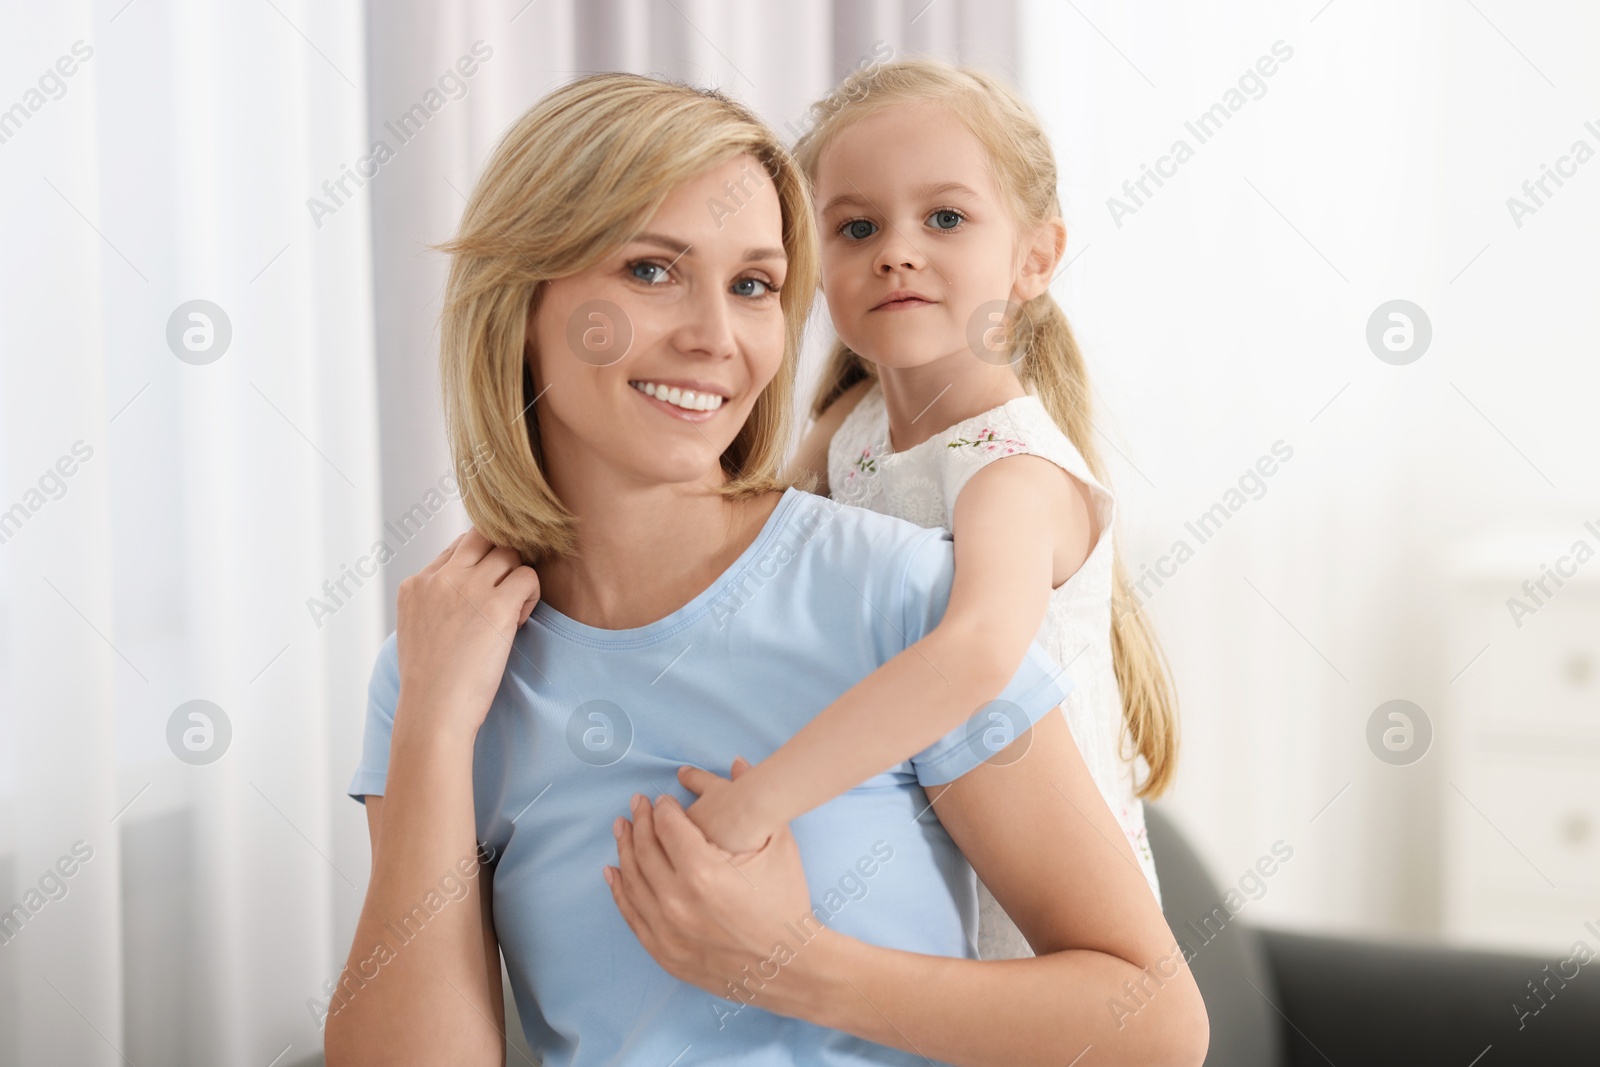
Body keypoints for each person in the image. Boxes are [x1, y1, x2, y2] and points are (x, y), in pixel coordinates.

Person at [326, 72, 1206, 1067]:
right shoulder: (438, 664)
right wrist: (434, 729)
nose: (715, 337)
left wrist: (789, 961)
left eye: (752, 285)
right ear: (522, 297)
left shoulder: (905, 589)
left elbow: (1157, 1022)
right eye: (652, 271)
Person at [676, 59, 1177, 963]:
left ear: (1035, 259)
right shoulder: (854, 425)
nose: (895, 250)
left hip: (1036, 913)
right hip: (916, 871)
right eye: (857, 226)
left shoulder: (1012, 472)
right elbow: (750, 547)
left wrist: (761, 799)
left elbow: (974, 655)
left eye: (944, 218)